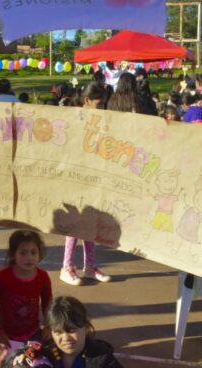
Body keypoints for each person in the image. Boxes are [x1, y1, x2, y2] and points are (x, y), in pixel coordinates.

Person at [60, 82, 112, 286]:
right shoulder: (74, 118)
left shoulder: (98, 119)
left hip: (92, 173)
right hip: (75, 175)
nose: (102, 108)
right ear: (87, 101)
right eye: (99, 104)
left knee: (90, 220)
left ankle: (89, 266)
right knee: (76, 221)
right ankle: (66, 266)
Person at [0, 230, 52, 348]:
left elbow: (48, 304)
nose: (29, 258)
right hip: (5, 336)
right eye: (23, 253)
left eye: (33, 252)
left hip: (34, 334)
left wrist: (48, 327)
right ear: (13, 254)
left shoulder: (43, 277)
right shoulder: (2, 277)